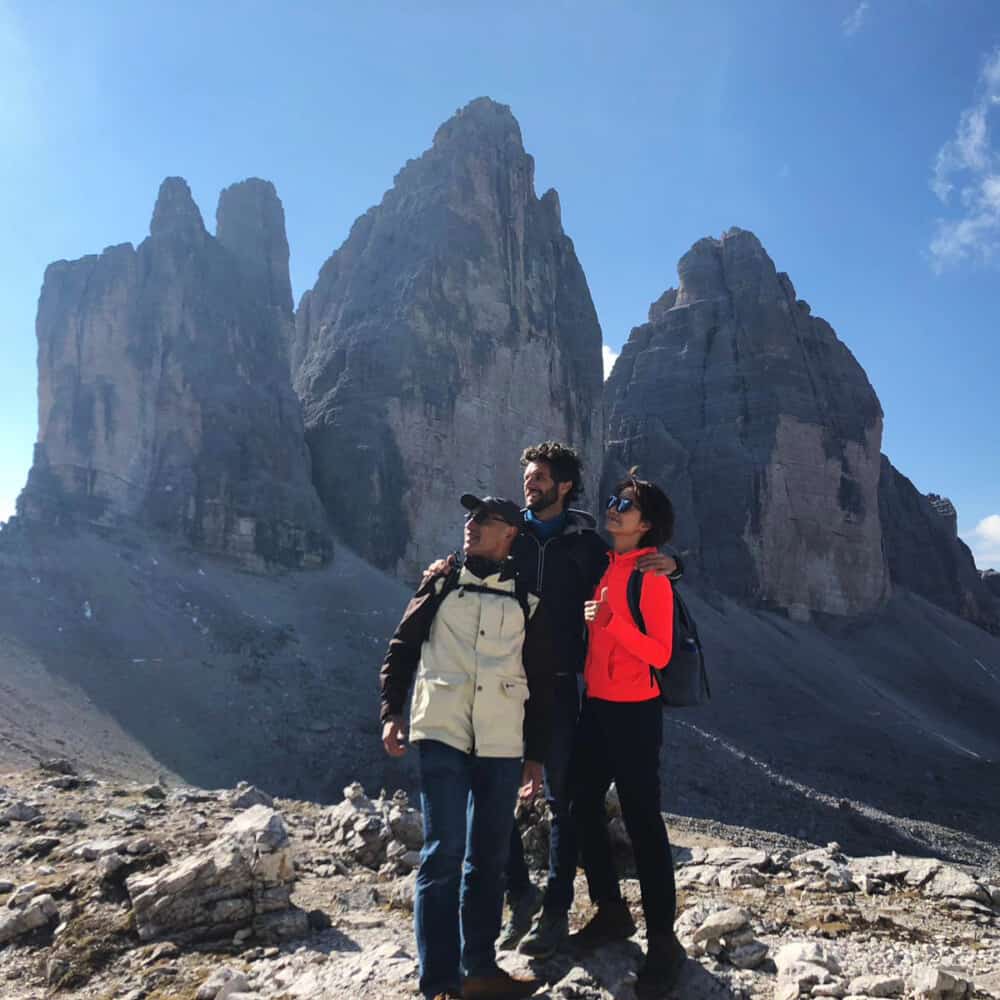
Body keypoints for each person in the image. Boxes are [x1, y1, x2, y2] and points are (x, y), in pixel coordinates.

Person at [426, 443, 680, 960]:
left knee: (569, 802)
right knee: (499, 791)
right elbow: (477, 555)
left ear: (563, 486)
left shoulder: (587, 546)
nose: (530, 484)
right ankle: (522, 893)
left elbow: (644, 574)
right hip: (503, 683)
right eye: (528, 476)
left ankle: (562, 912)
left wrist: (675, 563)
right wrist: (445, 568)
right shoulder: (512, 533)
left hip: (567, 688)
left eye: (540, 477)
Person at [379, 494, 555, 1000]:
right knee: (444, 853)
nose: (471, 525)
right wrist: (392, 713)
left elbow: (541, 680)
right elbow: (402, 648)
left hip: (501, 740)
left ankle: (478, 970)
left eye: (484, 519)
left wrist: (535, 755)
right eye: (469, 518)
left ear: (509, 534)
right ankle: (440, 983)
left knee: (488, 857)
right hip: (442, 733)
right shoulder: (441, 582)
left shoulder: (527, 597)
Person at [568, 471, 688, 997]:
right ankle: (611, 910)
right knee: (577, 804)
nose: (613, 508)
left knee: (643, 821)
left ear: (647, 525)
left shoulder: (652, 575)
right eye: (614, 500)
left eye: (626, 505)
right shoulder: (610, 565)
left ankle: (665, 940)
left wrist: (610, 620)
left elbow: (660, 653)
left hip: (635, 714)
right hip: (597, 708)